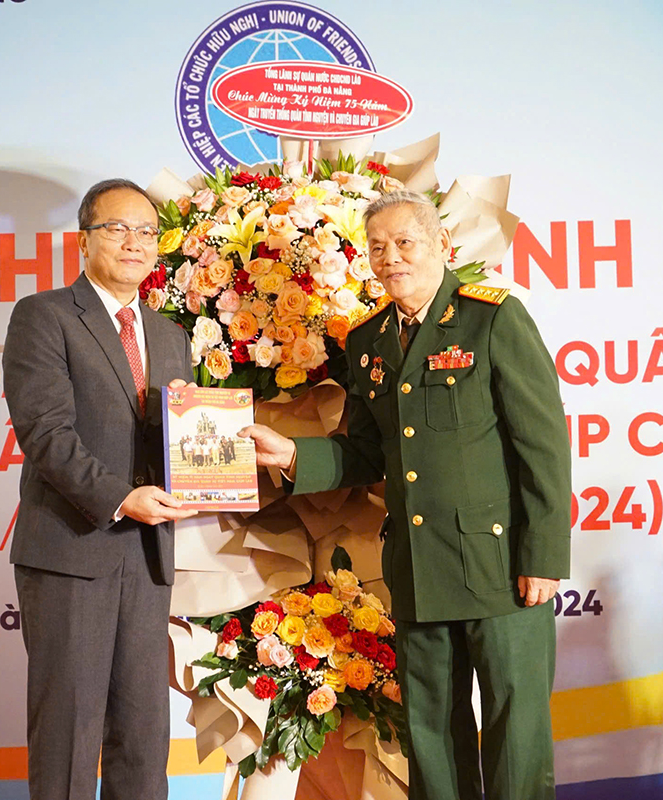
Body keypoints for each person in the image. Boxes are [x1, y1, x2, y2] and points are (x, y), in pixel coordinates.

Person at [241, 190, 571, 800]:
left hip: (500, 567)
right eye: (377, 247)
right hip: (418, 565)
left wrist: (544, 559)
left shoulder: (492, 317)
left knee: (515, 731)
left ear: (442, 246)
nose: (390, 257)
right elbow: (366, 452)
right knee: (430, 735)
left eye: (405, 242)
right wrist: (292, 454)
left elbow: (543, 447)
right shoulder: (368, 339)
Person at [2, 178, 196, 800]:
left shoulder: (170, 334)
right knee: (67, 733)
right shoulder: (45, 315)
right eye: (117, 228)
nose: (134, 243)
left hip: (146, 555)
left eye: (147, 232)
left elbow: (181, 436)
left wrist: (210, 467)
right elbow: (45, 433)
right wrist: (120, 497)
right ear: (84, 239)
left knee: (143, 735)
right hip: (72, 549)